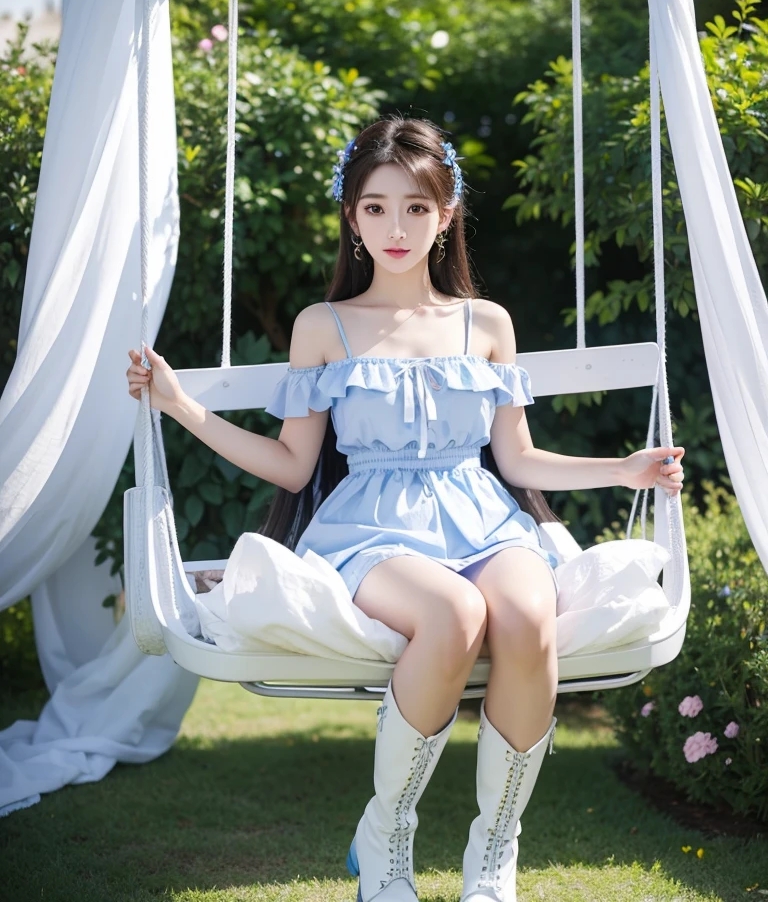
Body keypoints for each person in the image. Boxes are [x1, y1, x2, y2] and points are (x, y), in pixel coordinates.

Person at [126, 115, 685, 902]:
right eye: (378, 207)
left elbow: (517, 458)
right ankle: (385, 835)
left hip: (485, 517)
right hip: (371, 528)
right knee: (456, 613)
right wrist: (183, 407)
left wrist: (623, 470)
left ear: (446, 214)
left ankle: (494, 849)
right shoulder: (323, 327)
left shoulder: (485, 324)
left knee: (526, 617)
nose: (397, 227)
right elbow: (292, 465)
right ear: (352, 217)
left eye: (417, 208)